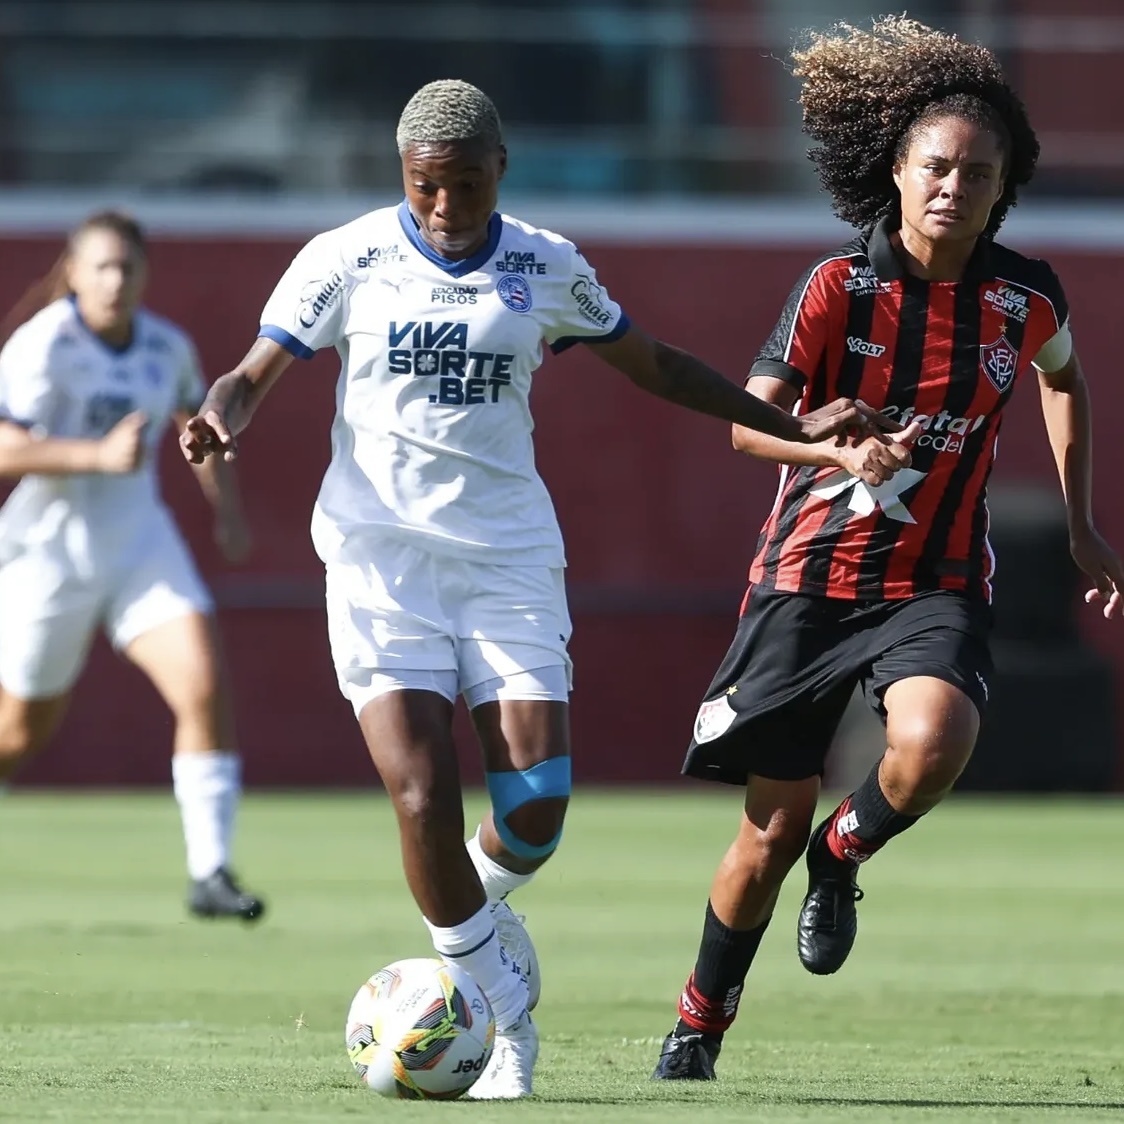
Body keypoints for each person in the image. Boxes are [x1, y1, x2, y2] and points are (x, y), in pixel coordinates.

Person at [179, 78, 892, 1100]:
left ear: (498, 173)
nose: (442, 207)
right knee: (420, 793)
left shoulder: (544, 265)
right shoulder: (345, 258)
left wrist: (789, 428)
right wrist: (220, 415)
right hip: (380, 563)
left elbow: (656, 365)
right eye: (424, 186)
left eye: (463, 186)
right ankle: (500, 1011)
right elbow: (249, 373)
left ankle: (471, 913)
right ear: (402, 176)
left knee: (535, 811)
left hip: (507, 560)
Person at [650, 15, 1124, 1081]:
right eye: (935, 166)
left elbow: (1064, 379)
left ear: (1002, 188)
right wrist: (831, 444)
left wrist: (1083, 520)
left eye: (976, 171)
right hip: (805, 581)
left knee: (934, 737)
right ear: (895, 174)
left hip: (935, 578)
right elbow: (742, 419)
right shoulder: (835, 288)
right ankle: (697, 1023)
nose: (954, 185)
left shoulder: (1021, 296)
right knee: (762, 835)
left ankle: (843, 851)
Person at [0, 211, 265, 923]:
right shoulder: (43, 344)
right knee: (18, 734)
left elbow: (194, 425)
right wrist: (92, 455)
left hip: (140, 542)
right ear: (74, 272)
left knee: (202, 685)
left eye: (128, 267)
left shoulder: (166, 346)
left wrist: (226, 507)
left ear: (145, 274)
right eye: (102, 267)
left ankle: (209, 873)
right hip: (49, 552)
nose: (115, 280)